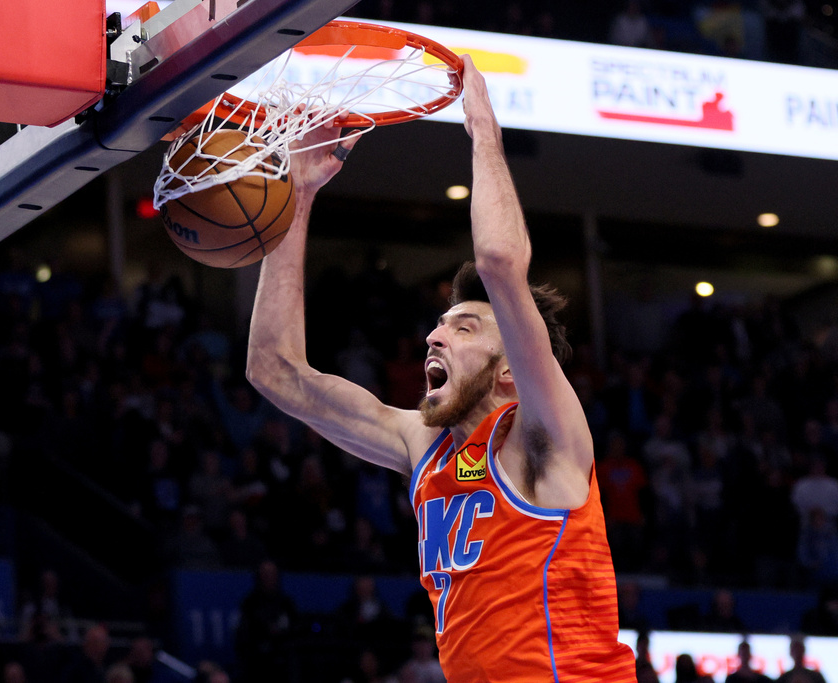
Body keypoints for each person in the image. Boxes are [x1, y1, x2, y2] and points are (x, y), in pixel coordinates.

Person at [245, 56, 636, 681]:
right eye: (439, 322)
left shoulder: (544, 438)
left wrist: (484, 132)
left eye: (464, 326)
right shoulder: (424, 444)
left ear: (510, 368)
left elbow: (501, 262)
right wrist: (296, 190)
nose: (434, 335)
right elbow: (275, 370)